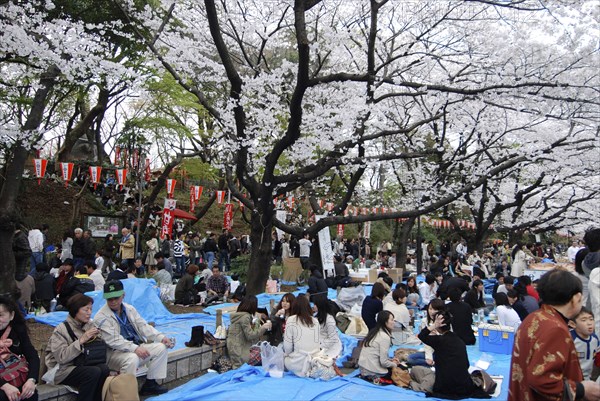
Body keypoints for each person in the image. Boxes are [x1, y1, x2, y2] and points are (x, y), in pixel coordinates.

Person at [509, 269, 600, 401]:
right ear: (576, 298)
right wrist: (581, 389)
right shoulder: (555, 328)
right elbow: (541, 379)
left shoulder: (534, 318)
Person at [95, 281, 173, 396]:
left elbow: (143, 326)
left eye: (116, 297)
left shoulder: (129, 309)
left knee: (161, 347)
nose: (113, 301)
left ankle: (150, 384)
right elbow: (114, 341)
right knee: (132, 358)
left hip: (135, 347)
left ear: (123, 295)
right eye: (109, 299)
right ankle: (126, 393)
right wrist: (135, 348)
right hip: (114, 354)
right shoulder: (101, 316)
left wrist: (161, 337)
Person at [45, 294, 110, 401]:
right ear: (76, 310)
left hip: (83, 364)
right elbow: (61, 358)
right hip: (62, 370)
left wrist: (96, 337)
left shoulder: (89, 325)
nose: (89, 313)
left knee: (104, 369)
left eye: (91, 309)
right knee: (93, 373)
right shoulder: (61, 329)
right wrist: (81, 340)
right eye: (86, 309)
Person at [416, 311, 487, 399]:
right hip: (463, 386)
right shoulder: (459, 341)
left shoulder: (439, 340)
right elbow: (466, 364)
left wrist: (434, 325)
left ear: (439, 325)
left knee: (416, 370)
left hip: (444, 386)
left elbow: (421, 336)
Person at [0, 296, 40, 401]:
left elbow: (32, 356)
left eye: (0, 315)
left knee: (29, 393)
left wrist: (31, 380)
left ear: (11, 315)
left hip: (15, 376)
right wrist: (4, 385)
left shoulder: (18, 330)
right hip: (2, 383)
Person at [227, 295, 272, 369]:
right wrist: (264, 327)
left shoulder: (239, 315)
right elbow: (250, 335)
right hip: (240, 353)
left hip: (235, 351)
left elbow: (252, 335)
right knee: (266, 354)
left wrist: (257, 321)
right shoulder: (245, 317)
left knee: (262, 351)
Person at [283, 295, 321, 377]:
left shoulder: (291, 320)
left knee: (282, 358)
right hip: (314, 362)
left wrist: (287, 355)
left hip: (297, 362)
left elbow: (287, 347)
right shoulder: (315, 321)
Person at [357, 310, 399, 381]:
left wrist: (390, 360)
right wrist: (394, 364)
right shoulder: (384, 337)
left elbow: (376, 354)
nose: (394, 322)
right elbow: (383, 362)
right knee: (398, 371)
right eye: (392, 320)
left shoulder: (374, 332)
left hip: (362, 367)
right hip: (372, 371)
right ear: (385, 322)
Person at [570, 307, 599, 381]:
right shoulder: (569, 339)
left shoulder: (595, 339)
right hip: (571, 379)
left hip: (588, 378)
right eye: (584, 320)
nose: (589, 323)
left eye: (591, 319)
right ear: (572, 324)